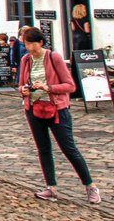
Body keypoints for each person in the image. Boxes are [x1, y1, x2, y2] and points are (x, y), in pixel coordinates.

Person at [18, 27, 101, 204]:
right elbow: (21, 84)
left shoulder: (53, 57)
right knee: (43, 149)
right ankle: (51, 187)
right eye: (26, 44)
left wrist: (49, 88)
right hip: (34, 108)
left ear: (40, 42)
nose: (28, 48)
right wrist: (23, 90)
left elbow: (70, 86)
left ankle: (90, 186)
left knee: (68, 148)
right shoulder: (26, 60)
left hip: (56, 109)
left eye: (31, 44)